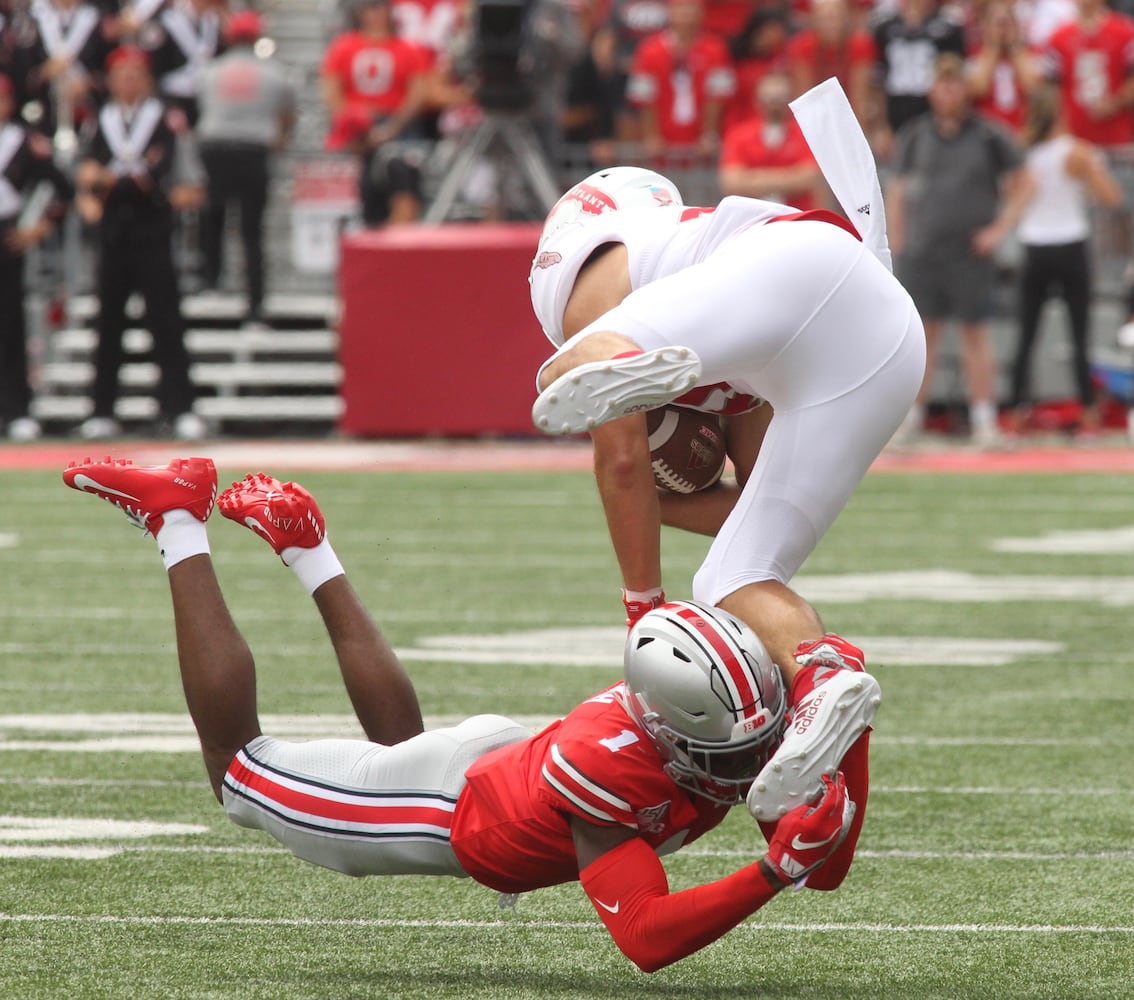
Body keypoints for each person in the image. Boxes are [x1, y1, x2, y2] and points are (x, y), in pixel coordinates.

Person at [61, 454, 871, 974]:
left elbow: (824, 860)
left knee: (400, 749)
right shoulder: (612, 769)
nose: (753, 759)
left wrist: (847, 733)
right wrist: (772, 871)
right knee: (238, 775)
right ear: (669, 733)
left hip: (501, 760)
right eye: (732, 750)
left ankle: (308, 546)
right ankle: (175, 519)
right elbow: (646, 939)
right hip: (444, 807)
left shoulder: (730, 706)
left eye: (761, 734)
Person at [527, 80, 898, 820]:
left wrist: (642, 609)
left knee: (574, 367)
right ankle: (823, 679)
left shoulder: (595, 266)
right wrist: (666, 503)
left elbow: (624, 461)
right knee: (739, 572)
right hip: (881, 335)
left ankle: (610, 357)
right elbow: (754, 493)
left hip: (795, 268)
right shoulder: (698, 263)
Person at [885, 52, 1034, 447]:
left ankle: (985, 419)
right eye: (942, 84)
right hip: (923, 251)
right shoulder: (916, 134)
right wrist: (896, 236)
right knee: (921, 339)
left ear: (965, 90)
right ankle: (910, 419)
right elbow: (898, 189)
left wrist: (999, 229)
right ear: (933, 90)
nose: (949, 92)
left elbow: (1025, 182)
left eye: (955, 84)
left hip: (971, 252)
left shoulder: (988, 134)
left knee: (975, 335)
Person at [74, 44, 204, 440]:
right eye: (121, 73)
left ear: (146, 79)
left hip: (152, 228)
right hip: (114, 231)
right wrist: (89, 190)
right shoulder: (99, 122)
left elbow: (186, 181)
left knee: (166, 320)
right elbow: (84, 173)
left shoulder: (166, 120)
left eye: (136, 73)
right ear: (111, 80)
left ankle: (179, 406)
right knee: (109, 321)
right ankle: (102, 409)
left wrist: (174, 193)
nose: (128, 80)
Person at [1006, 84, 1124, 437]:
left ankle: (1015, 409)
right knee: (1079, 330)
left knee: (1027, 332)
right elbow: (1111, 197)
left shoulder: (1022, 151)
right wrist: (1090, 175)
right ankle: (1087, 409)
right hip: (1070, 242)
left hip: (1035, 244)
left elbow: (1014, 196)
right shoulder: (1078, 152)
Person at [196, 9, 296, 328]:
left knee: (214, 217)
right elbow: (287, 113)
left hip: (217, 148)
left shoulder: (211, 71)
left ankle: (211, 284)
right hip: (254, 150)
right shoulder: (274, 72)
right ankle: (255, 304)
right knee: (252, 231)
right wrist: (278, 139)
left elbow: (202, 107)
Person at [0, 70, 74, 441]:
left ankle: (15, 409)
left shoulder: (26, 142)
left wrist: (38, 228)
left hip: (8, 236)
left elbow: (63, 189)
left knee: (10, 326)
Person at [320, 0, 429, 225]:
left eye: (380, 7)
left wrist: (392, 128)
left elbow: (417, 93)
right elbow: (331, 92)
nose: (375, 14)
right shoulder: (343, 47)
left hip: (397, 128)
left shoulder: (408, 49)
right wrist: (356, 124)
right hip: (357, 129)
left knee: (403, 181)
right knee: (361, 192)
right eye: (369, 8)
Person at [624, 0, 736, 161]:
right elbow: (644, 97)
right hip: (664, 133)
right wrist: (651, 136)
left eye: (692, 11)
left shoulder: (715, 49)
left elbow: (717, 96)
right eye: (682, 11)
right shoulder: (649, 49)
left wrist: (709, 133)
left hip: (698, 135)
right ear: (670, 13)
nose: (687, 17)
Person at [718, 68, 825, 211]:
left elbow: (810, 177)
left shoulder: (805, 132)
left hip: (799, 216)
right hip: (753, 217)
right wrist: (789, 177)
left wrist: (754, 178)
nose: (774, 106)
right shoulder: (739, 135)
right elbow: (730, 181)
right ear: (757, 101)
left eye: (779, 100)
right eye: (769, 100)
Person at [1042, 0, 1134, 149]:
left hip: (1117, 137)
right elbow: (1050, 88)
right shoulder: (1058, 37)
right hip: (1075, 137)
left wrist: (1115, 102)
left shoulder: (1125, 32)